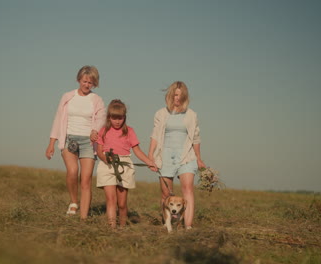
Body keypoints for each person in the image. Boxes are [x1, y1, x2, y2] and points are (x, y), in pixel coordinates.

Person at [46, 65, 106, 220]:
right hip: (69, 139)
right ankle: (74, 202)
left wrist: (95, 130)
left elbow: (101, 119)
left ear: (94, 84)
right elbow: (58, 119)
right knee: (72, 172)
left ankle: (83, 219)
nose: (87, 85)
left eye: (90, 83)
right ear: (79, 80)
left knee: (86, 180)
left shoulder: (96, 100)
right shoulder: (67, 97)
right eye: (85, 81)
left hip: (88, 142)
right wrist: (51, 143)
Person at [148, 81, 206, 230]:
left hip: (186, 156)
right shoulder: (161, 113)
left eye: (180, 95)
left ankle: (188, 226)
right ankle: (168, 225)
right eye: (175, 95)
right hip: (165, 156)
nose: (177, 98)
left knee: (188, 190)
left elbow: (196, 138)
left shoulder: (191, 115)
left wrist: (199, 158)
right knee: (166, 193)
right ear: (170, 95)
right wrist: (150, 156)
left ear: (185, 97)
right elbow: (155, 135)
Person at [96, 99, 157, 228]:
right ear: (109, 117)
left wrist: (149, 162)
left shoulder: (129, 131)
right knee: (111, 200)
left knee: (122, 203)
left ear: (124, 117)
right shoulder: (103, 131)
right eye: (114, 118)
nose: (117, 121)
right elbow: (99, 150)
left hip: (124, 165)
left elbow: (137, 151)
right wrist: (105, 159)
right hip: (107, 165)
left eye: (120, 118)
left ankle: (122, 227)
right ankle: (112, 229)